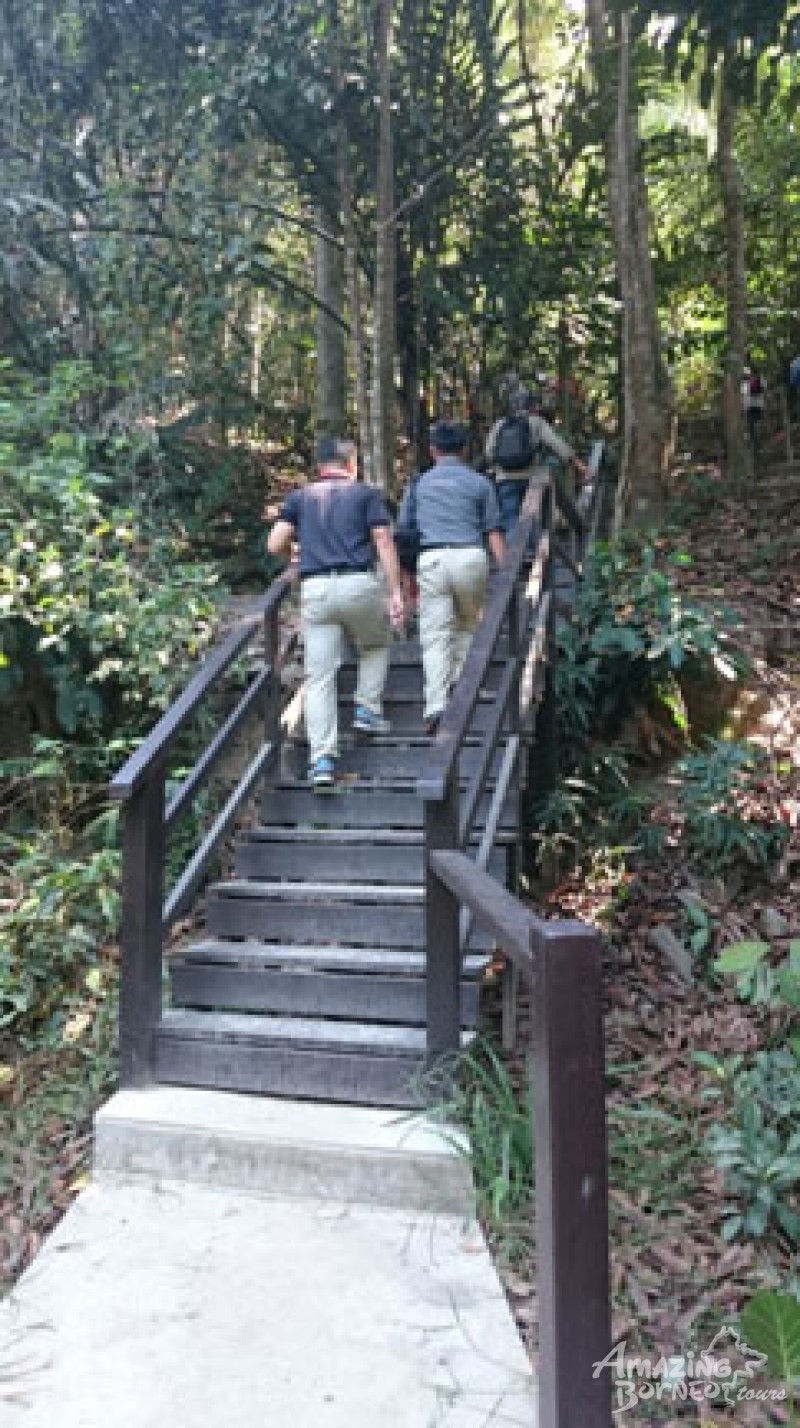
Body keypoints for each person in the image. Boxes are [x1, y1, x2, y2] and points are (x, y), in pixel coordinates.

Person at [267, 437, 405, 790]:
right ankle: (367, 709)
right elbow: (384, 540)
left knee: (319, 677)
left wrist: (293, 558)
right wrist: (394, 592)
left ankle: (322, 761)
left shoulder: (301, 498)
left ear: (319, 466)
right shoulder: (365, 495)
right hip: (359, 583)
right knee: (375, 644)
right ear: (351, 464)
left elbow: (274, 543)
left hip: (316, 590)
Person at [396, 420, 506, 736]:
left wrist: (406, 575)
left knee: (434, 635)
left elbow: (405, 531)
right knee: (470, 624)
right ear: (465, 449)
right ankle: (463, 688)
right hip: (471, 556)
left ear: (433, 451)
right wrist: (509, 571)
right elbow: (494, 532)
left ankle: (435, 705)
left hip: (431, 559)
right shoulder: (479, 483)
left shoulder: (419, 484)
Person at [485, 387, 589, 538]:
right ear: (532, 406)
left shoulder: (500, 424)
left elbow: (488, 452)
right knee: (531, 519)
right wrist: (580, 466)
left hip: (505, 479)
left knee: (511, 519)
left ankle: (515, 558)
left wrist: (498, 467)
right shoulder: (537, 422)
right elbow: (557, 444)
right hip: (531, 478)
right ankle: (532, 554)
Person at [742, 362, 766, 449]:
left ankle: (754, 444)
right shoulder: (760, 378)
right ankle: (758, 443)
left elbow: (744, 394)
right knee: (757, 423)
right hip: (759, 404)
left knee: (750, 426)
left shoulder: (744, 382)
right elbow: (764, 390)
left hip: (749, 406)